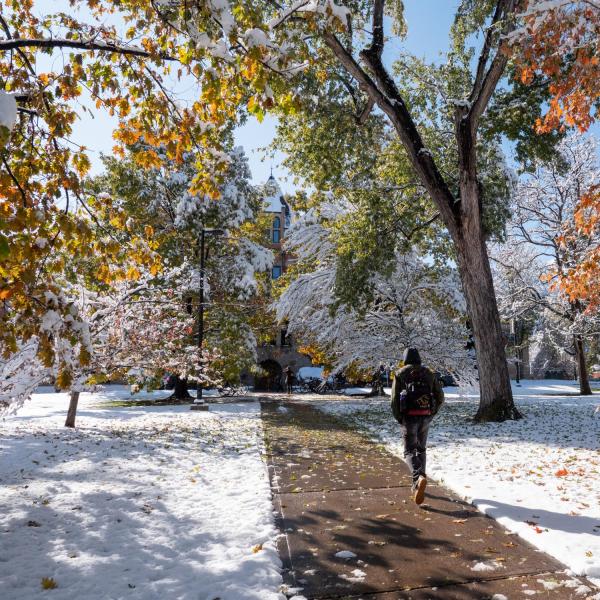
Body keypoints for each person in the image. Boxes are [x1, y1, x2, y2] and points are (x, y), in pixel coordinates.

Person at [391, 348, 444, 505]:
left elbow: (394, 400)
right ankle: (421, 479)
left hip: (409, 417)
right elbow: (440, 396)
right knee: (421, 449)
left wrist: (400, 418)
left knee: (409, 450)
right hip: (425, 415)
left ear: (405, 359)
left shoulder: (400, 373)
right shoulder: (429, 373)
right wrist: (432, 412)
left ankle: (417, 478)